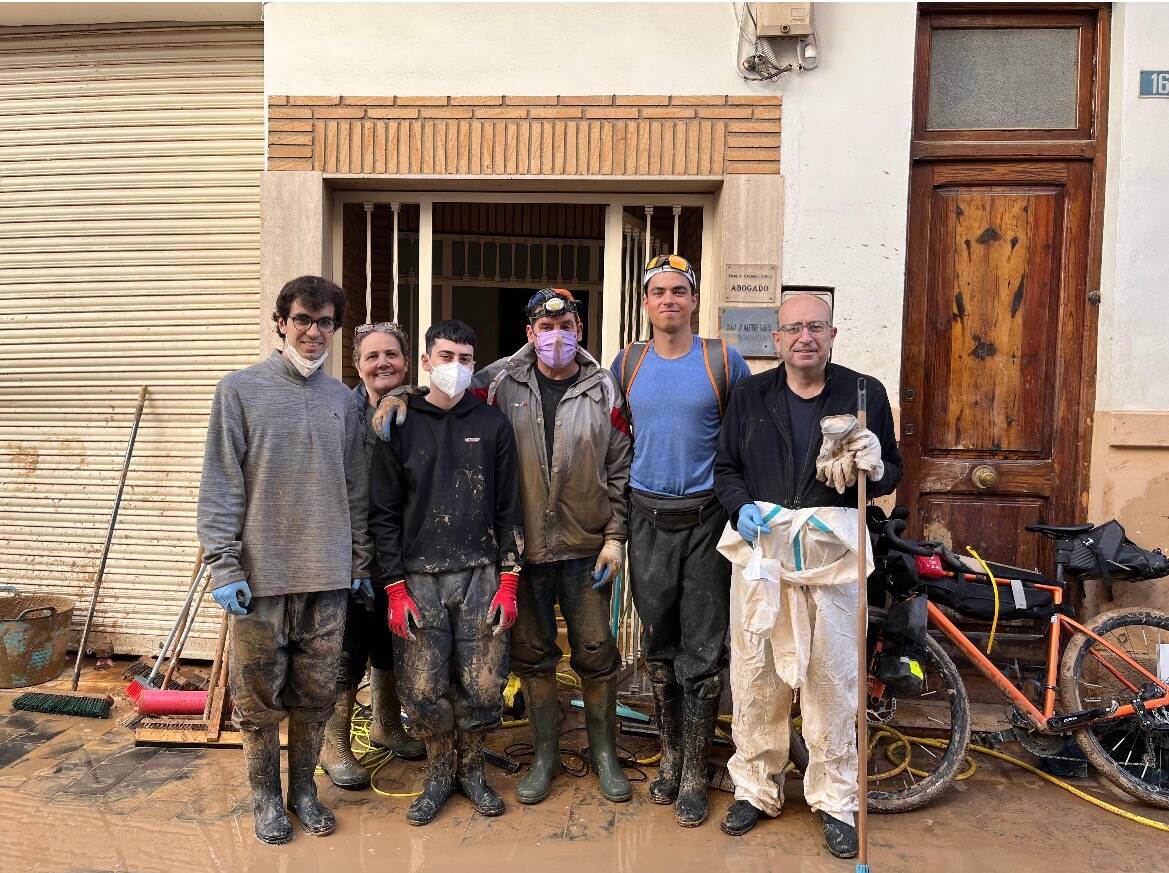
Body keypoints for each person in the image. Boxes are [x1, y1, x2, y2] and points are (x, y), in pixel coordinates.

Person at [712, 293, 902, 857]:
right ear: (777, 339)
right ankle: (755, 787)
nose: (805, 337)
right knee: (756, 676)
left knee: (832, 681)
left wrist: (875, 463)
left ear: (832, 334)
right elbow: (725, 467)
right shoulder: (750, 395)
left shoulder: (864, 393)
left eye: (815, 326)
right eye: (793, 328)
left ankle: (835, 799)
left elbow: (891, 472)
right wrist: (739, 507)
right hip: (765, 552)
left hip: (832, 557)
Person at [197, 275, 372, 845]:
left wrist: (359, 562)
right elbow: (221, 484)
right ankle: (266, 799)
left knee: (316, 695)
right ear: (281, 322)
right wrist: (225, 565)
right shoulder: (239, 391)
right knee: (257, 702)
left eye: (325, 323)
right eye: (302, 319)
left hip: (327, 578)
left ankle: (303, 792)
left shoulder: (342, 400)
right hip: (261, 579)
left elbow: (356, 489)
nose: (313, 332)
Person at [473, 288, 633, 804]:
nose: (556, 335)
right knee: (533, 656)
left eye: (565, 326)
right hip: (522, 552)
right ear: (530, 333)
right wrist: (398, 397)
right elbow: (442, 392)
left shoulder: (604, 387)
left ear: (579, 330)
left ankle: (604, 755)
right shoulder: (499, 382)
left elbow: (620, 467)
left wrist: (615, 538)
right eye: (546, 327)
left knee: (597, 653)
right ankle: (545, 755)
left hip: (586, 548)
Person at [611, 254, 751, 827]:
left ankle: (695, 773)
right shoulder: (628, 363)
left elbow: (746, 433)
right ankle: (670, 760)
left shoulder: (722, 360)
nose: (668, 300)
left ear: (694, 299)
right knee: (660, 647)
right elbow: (616, 440)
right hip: (647, 519)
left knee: (703, 651)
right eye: (658, 292)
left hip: (706, 521)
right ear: (645, 303)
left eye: (678, 291)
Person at [367, 319, 524, 827]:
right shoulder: (400, 424)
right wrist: (394, 588)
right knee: (422, 689)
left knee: (484, 686)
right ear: (426, 362)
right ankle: (438, 775)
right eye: (446, 357)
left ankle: (472, 771)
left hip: (481, 574)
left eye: (465, 359)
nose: (455, 367)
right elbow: (383, 513)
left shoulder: (493, 424)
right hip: (418, 580)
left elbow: (509, 508)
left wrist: (509, 581)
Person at [319, 322, 426, 791]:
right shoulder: (342, 412)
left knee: (390, 642)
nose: (382, 363)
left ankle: (386, 725)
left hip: (400, 554)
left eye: (391, 355)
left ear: (406, 361)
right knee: (348, 648)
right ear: (358, 365)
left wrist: (402, 395)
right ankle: (334, 745)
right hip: (350, 552)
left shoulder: (418, 407)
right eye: (371, 356)